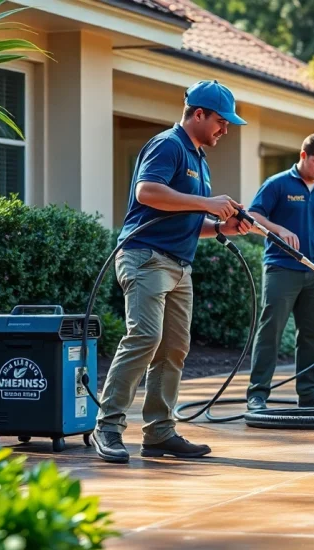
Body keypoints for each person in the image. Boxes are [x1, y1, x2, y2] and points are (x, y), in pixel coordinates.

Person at [91, 80, 252, 464]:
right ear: (198, 114)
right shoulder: (169, 145)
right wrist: (208, 203)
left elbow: (186, 219)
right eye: (220, 120)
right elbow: (148, 192)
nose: (225, 128)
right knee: (145, 336)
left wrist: (220, 227)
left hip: (180, 264)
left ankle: (160, 432)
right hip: (145, 257)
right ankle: (107, 427)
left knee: (175, 348)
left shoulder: (199, 158)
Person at [245, 133, 314, 411]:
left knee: (312, 334)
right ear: (303, 156)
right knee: (271, 330)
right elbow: (253, 216)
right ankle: (257, 394)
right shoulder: (277, 184)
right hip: (281, 268)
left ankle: (310, 393)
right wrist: (279, 229)